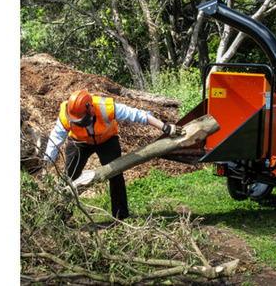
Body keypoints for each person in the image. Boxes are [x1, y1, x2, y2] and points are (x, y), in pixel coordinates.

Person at [43, 90, 185, 220]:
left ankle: (121, 217)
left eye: (81, 120)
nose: (79, 123)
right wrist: (45, 168)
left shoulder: (105, 106)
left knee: (116, 175)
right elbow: (54, 142)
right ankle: (60, 215)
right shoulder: (66, 115)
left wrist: (166, 127)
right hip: (79, 142)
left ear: (91, 109)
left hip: (107, 140)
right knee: (69, 175)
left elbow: (138, 115)